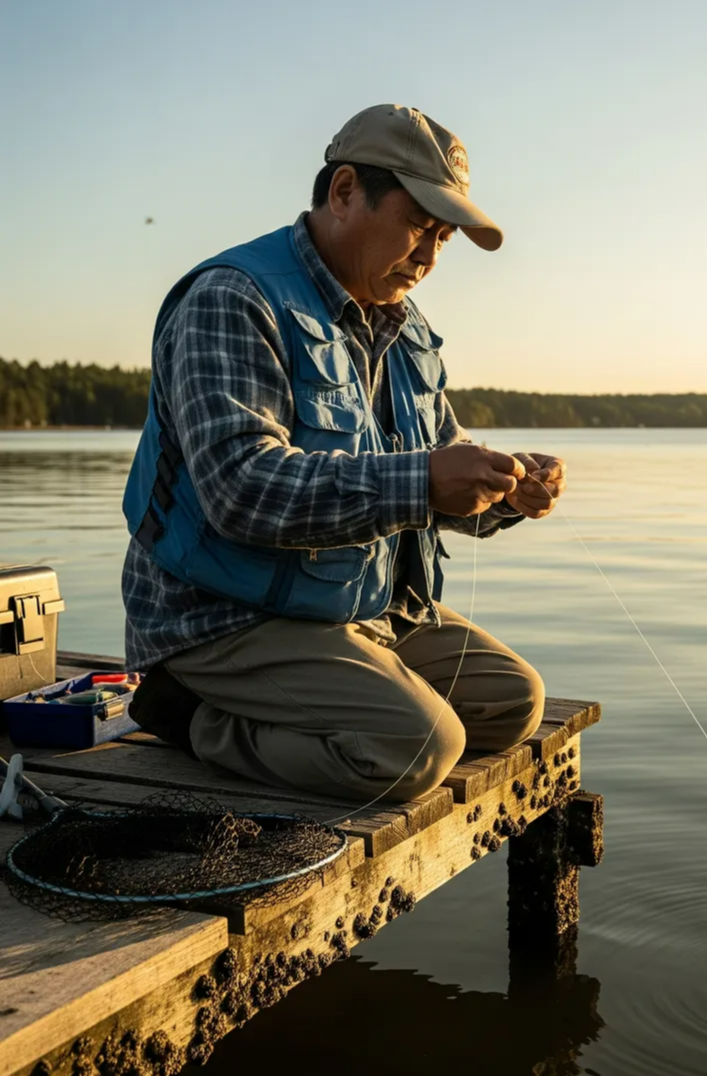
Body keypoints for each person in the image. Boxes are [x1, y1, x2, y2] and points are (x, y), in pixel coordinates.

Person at [122, 103, 566, 804]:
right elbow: (242, 489)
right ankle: (193, 716)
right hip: (219, 620)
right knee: (421, 746)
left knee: (514, 704)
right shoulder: (231, 299)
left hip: (360, 610)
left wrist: (503, 491)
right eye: (420, 227)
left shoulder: (403, 322)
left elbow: (436, 461)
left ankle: (340, 688)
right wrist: (424, 483)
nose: (429, 256)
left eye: (444, 239)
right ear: (344, 193)